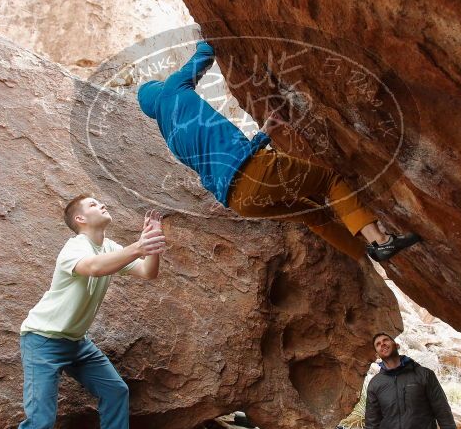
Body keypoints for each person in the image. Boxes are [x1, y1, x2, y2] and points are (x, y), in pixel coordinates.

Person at [137, 40, 420, 263]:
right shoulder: (173, 90)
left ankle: (362, 257)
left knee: (314, 214)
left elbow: (218, 169)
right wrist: (203, 38)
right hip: (255, 172)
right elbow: (205, 54)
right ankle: (380, 242)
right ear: (159, 90)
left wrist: (264, 134)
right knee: (329, 181)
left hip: (241, 202)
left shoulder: (172, 141)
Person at [0, 196, 166, 429]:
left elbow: (147, 272)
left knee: (115, 391)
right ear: (80, 220)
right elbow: (94, 268)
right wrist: (138, 247)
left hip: (76, 343)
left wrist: (151, 246)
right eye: (93, 204)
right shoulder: (75, 245)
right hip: (42, 341)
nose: (102, 205)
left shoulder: (109, 246)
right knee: (40, 421)